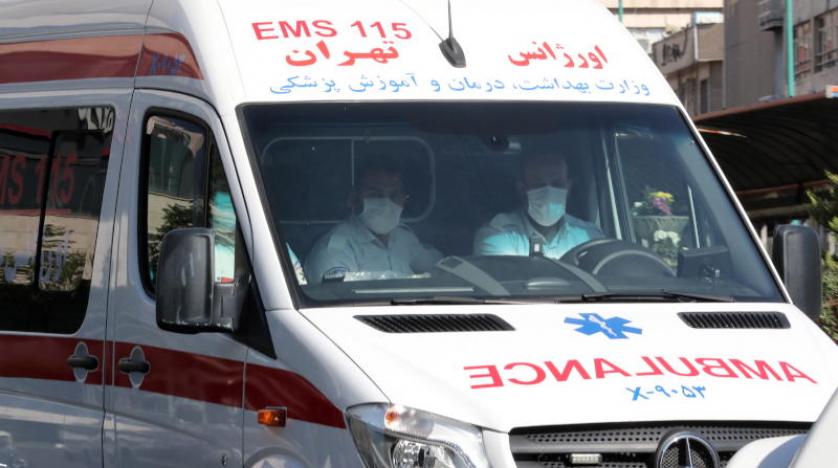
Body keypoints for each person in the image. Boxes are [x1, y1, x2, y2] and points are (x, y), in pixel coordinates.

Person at [305, 160, 442, 284]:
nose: (386, 204)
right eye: (375, 195)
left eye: (394, 195)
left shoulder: (403, 237)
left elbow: (440, 267)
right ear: (353, 198)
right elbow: (338, 296)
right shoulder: (333, 251)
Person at [473, 152, 603, 259]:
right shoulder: (497, 235)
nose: (549, 191)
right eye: (539, 185)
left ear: (568, 187)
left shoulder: (590, 236)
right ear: (522, 189)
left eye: (557, 184)